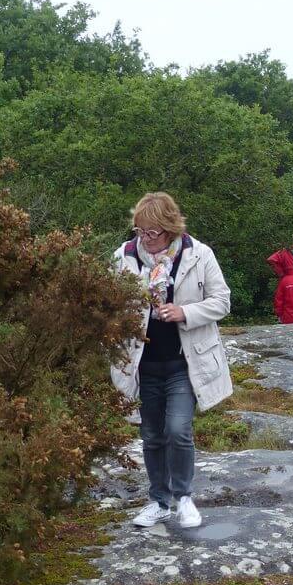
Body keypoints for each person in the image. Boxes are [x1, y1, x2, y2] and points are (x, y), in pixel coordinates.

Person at [110, 192, 232, 530]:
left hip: (184, 363)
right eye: (140, 232)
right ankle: (158, 501)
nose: (145, 240)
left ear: (169, 228)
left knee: (178, 430)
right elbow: (107, 303)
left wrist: (184, 312)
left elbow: (222, 301)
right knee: (151, 435)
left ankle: (184, 498)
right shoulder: (124, 256)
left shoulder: (198, 254)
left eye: (152, 233)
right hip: (141, 365)